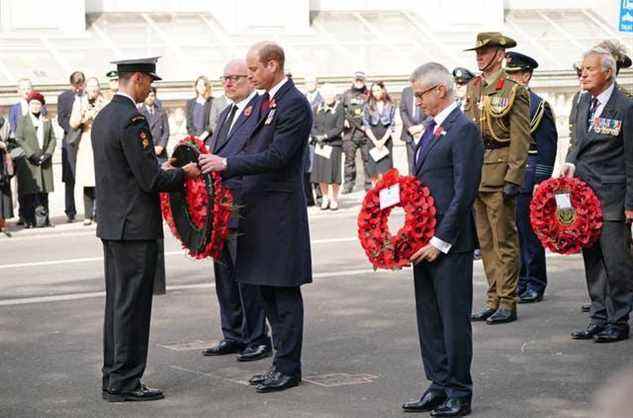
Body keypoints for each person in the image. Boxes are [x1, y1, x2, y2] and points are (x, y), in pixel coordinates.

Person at [199, 41, 312, 393]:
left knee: (283, 292)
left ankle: (289, 367)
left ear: (273, 65)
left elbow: (277, 156)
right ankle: (278, 363)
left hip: (279, 213)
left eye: (253, 70)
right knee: (265, 291)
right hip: (257, 211)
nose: (249, 76)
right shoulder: (265, 101)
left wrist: (227, 164)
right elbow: (242, 146)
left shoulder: (294, 104)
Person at [92, 57, 200, 402]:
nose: (150, 87)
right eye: (149, 81)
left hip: (113, 223)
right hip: (135, 226)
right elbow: (149, 179)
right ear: (136, 79)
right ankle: (126, 382)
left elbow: (131, 168)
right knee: (133, 307)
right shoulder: (133, 118)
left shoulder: (105, 116)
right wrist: (185, 173)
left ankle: (114, 376)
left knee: (118, 305)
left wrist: (161, 164)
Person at [402, 62, 483, 418]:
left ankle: (459, 392)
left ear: (440, 90)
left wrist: (440, 240)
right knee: (429, 319)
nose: (416, 101)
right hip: (423, 243)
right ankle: (437, 384)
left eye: (420, 93)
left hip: (449, 244)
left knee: (453, 321)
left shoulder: (462, 129)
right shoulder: (431, 129)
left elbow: (464, 192)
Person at [200, 59, 271, 362]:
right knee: (224, 274)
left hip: (245, 203)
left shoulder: (260, 110)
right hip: (221, 205)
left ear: (250, 80)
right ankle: (233, 333)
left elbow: (256, 157)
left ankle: (257, 337)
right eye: (225, 78)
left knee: (247, 275)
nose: (228, 83)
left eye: (235, 78)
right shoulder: (226, 110)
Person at [561, 46, 633, 343]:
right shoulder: (581, 101)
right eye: (582, 68)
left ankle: (619, 320)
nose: (584, 73)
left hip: (613, 197)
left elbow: (632, 159)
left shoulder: (626, 107)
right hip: (584, 196)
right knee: (592, 260)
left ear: (608, 72)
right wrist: (568, 164)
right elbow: (577, 142)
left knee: (616, 263)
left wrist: (631, 203)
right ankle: (599, 317)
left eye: (589, 69)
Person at [463, 32, 531, 325]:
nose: (479, 56)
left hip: (501, 171)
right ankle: (493, 298)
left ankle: (507, 300)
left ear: (500, 54)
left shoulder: (513, 90)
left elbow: (520, 138)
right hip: (478, 173)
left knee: (505, 241)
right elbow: (467, 132)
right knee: (486, 243)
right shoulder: (474, 87)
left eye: (485, 50)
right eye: (477, 51)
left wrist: (513, 179)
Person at [504, 52, 558, 304]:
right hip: (508, 173)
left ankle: (535, 282)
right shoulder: (503, 101)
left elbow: (547, 145)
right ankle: (521, 280)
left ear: (526, 76)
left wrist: (540, 182)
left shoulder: (537, 105)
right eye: (508, 75)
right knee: (512, 234)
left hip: (528, 172)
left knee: (529, 233)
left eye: (514, 74)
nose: (510, 79)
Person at [15, 91, 56, 228]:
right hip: (29, 161)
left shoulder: (46, 119)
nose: (35, 106)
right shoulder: (23, 120)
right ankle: (29, 220)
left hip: (44, 161)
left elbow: (53, 139)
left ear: (42, 105)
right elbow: (19, 138)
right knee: (29, 192)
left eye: (38, 104)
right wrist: (31, 154)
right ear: (28, 105)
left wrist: (48, 154)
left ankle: (45, 220)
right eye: (33, 103)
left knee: (44, 192)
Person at [70, 77, 107, 226]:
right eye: (90, 88)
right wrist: (85, 116)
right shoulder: (79, 102)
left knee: (101, 179)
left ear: (98, 89)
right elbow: (73, 123)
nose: (92, 91)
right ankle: (87, 214)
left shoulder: (105, 102)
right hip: (86, 143)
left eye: (95, 88)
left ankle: (100, 213)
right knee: (87, 180)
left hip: (102, 142)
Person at [57, 71, 86, 223]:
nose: (79, 88)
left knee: (89, 175)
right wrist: (73, 128)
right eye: (76, 85)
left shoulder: (88, 96)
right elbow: (60, 119)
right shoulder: (63, 97)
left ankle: (91, 210)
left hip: (86, 139)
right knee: (70, 178)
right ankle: (70, 211)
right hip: (70, 141)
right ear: (71, 84)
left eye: (81, 85)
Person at [310, 83, 344, 210]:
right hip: (320, 146)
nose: (329, 96)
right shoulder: (317, 107)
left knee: (334, 174)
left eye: (331, 94)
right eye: (326, 94)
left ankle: (334, 199)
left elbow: (339, 127)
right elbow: (312, 125)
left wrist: (325, 136)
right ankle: (325, 198)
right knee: (321, 174)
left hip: (333, 145)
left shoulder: (339, 107)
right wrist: (317, 136)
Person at [9, 78, 36, 225]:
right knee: (22, 185)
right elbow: (12, 130)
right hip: (20, 152)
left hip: (35, 151)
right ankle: (23, 215)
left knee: (37, 185)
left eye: (29, 87)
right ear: (18, 91)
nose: (26, 90)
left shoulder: (39, 105)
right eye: (23, 88)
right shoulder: (15, 108)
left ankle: (37, 215)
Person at [341, 71, 371, 193]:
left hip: (365, 132)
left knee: (367, 159)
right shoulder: (346, 94)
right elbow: (340, 109)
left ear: (364, 81)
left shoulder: (369, 94)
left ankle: (369, 184)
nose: (359, 82)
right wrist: (343, 119)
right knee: (349, 160)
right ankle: (348, 184)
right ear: (353, 81)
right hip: (350, 132)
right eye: (357, 80)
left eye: (361, 80)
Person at [362, 81, 396, 185]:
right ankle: (375, 195)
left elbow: (392, 124)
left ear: (382, 90)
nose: (376, 93)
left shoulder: (390, 105)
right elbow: (366, 124)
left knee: (386, 171)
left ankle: (387, 196)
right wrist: (375, 141)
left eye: (377, 90)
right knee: (374, 171)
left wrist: (383, 141)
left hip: (385, 139)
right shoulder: (367, 105)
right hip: (373, 139)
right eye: (373, 91)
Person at [304, 75, 324, 205]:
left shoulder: (322, 99)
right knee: (306, 169)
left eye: (312, 81)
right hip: (304, 140)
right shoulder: (302, 98)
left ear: (317, 83)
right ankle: (308, 197)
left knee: (317, 168)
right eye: (308, 82)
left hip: (317, 138)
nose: (310, 84)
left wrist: (316, 134)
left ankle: (320, 196)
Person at [400, 84, 426, 174]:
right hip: (409, 133)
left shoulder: (427, 90)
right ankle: (412, 186)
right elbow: (402, 110)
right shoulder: (406, 91)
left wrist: (422, 127)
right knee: (411, 164)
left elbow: (433, 111)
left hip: (425, 133)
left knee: (425, 163)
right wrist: (410, 127)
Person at [141, 87, 170, 164]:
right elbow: (139, 133)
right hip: (146, 152)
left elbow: (166, 131)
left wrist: (161, 146)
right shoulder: (139, 113)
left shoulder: (161, 112)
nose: (150, 98)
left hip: (161, 153)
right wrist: (150, 148)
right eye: (147, 96)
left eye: (152, 95)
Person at [185, 76, 214, 142]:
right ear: (196, 87)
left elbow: (213, 122)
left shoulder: (213, 102)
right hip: (194, 140)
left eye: (204, 85)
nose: (201, 87)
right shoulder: (190, 103)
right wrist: (195, 138)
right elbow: (189, 124)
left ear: (207, 87)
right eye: (199, 85)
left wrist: (203, 137)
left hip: (208, 140)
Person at [0, 112, 13, 237]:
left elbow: (12, 141)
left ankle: (2, 223)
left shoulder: (4, 122)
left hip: (2, 162)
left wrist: (5, 145)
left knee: (2, 193)